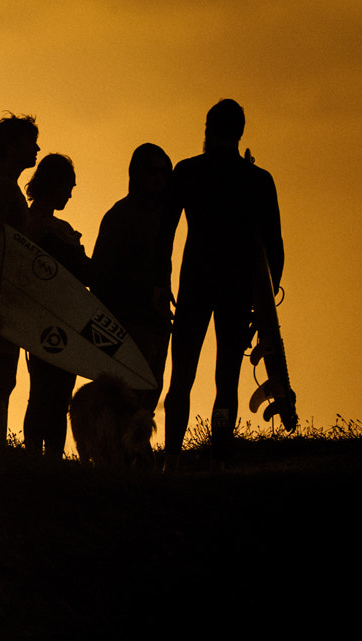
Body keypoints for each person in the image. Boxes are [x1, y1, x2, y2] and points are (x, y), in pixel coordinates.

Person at [158, 99, 284, 469]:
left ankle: (171, 457)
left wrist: (160, 281)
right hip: (237, 290)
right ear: (240, 131)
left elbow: (165, 234)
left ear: (207, 130)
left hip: (194, 283)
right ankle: (220, 456)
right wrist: (264, 304)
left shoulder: (187, 171)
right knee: (226, 378)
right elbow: (274, 249)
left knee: (180, 376)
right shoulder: (258, 180)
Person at [90, 143, 175, 412]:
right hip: (127, 325)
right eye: (152, 171)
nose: (159, 178)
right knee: (123, 403)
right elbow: (100, 276)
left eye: (164, 173)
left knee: (148, 398)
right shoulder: (119, 217)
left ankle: (137, 452)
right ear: (138, 173)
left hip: (156, 323)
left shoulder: (163, 218)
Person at [0, 113, 40, 444]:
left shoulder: (5, 185)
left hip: (6, 297)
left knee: (5, 377)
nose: (37, 148)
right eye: (31, 141)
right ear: (13, 146)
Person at [21, 153, 89, 455]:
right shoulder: (36, 226)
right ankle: (41, 459)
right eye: (69, 185)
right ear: (56, 183)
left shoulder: (53, 226)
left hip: (60, 320)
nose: (72, 193)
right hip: (46, 321)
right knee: (48, 394)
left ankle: (47, 460)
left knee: (54, 395)